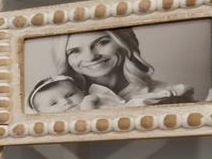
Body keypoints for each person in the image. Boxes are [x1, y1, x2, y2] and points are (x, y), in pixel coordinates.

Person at [56, 29, 196, 106]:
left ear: (125, 43)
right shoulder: (59, 104)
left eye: (102, 43)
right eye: (74, 51)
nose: (90, 57)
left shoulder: (173, 93)